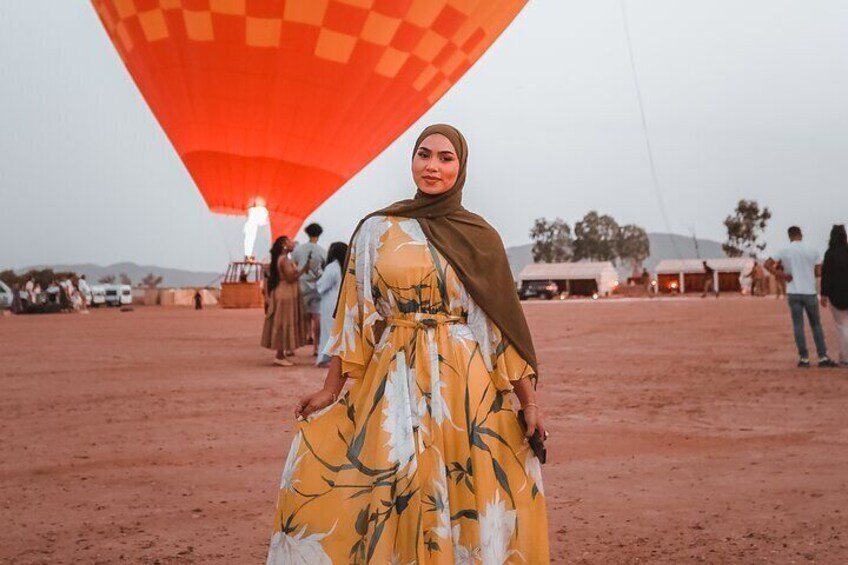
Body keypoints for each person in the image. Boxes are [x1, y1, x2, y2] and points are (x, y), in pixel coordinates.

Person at [266, 125, 550, 563]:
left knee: (462, 489)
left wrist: (527, 402)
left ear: (461, 166)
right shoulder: (376, 229)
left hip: (463, 386)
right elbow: (355, 317)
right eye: (424, 154)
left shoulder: (481, 237)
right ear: (412, 160)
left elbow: (498, 327)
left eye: (445, 157)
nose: (432, 166)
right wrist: (330, 389)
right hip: (392, 376)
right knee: (389, 486)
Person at [765, 226, 837, 368]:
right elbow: (818, 272)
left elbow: (767, 264)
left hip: (793, 291)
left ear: (789, 236)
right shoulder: (812, 250)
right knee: (816, 325)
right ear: (801, 235)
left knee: (798, 325)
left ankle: (804, 358)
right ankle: (822, 356)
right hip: (809, 292)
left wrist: (783, 275)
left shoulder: (784, 250)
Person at [261, 236, 310, 366]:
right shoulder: (284, 260)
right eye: (289, 242)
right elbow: (290, 277)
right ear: (284, 245)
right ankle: (279, 355)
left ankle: (281, 354)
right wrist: (303, 270)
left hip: (283, 293)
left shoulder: (281, 259)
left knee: (282, 322)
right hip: (286, 294)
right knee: (284, 322)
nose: (293, 243)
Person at [291, 222, 327, 356]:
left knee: (298, 317)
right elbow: (324, 267)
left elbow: (294, 265)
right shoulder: (322, 250)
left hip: (301, 286)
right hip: (316, 287)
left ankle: (291, 347)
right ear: (319, 234)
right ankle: (316, 348)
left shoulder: (298, 250)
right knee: (316, 317)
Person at [314, 242, 348, 367]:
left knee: (328, 330)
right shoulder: (345, 267)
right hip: (341, 303)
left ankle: (325, 358)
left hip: (329, 303)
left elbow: (321, 286)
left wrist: (318, 277)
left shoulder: (332, 267)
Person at [821, 224, 848, 366]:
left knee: (842, 327)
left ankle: (845, 358)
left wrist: (824, 294)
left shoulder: (829, 253)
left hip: (836, 296)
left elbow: (827, 275)